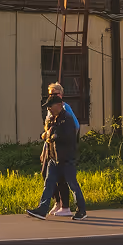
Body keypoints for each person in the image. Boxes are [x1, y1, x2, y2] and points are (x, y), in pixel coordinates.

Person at [27, 94, 87, 221]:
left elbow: (64, 137)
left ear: (59, 105)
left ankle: (81, 210)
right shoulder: (53, 119)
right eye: (47, 106)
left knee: (72, 184)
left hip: (66, 158)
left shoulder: (67, 119)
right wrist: (49, 135)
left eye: (51, 105)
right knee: (48, 183)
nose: (48, 108)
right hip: (54, 158)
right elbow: (47, 134)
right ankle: (42, 209)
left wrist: (51, 135)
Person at [43, 83, 79, 216]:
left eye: (55, 94)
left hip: (61, 150)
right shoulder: (50, 109)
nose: (52, 96)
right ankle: (57, 202)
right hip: (50, 148)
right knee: (47, 175)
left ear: (61, 95)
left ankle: (67, 206)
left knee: (64, 179)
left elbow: (75, 126)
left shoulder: (64, 108)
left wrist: (66, 141)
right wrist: (45, 147)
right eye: (50, 94)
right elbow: (49, 130)